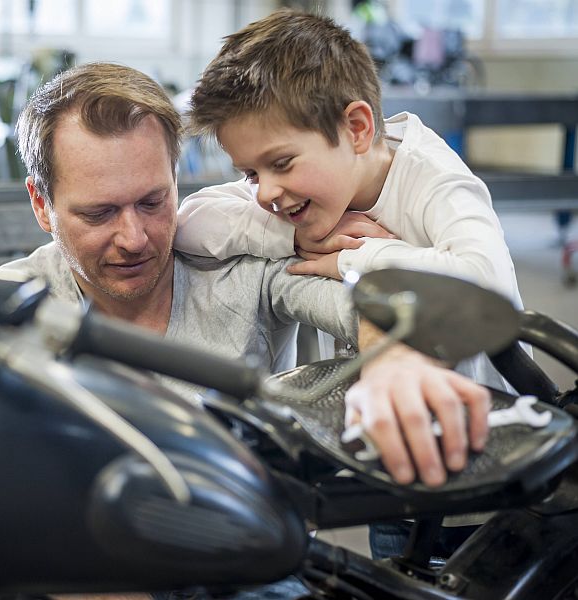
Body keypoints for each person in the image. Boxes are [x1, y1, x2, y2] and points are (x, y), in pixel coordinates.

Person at [2, 63, 490, 587]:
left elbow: (362, 307)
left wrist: (390, 364)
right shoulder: (4, 307)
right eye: (98, 214)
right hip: (82, 560)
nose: (136, 238)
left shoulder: (239, 262)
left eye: (153, 202)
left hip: (241, 556)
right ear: (41, 204)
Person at [178, 8, 522, 558]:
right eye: (249, 174)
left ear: (357, 128)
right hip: (387, 464)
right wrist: (292, 239)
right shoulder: (307, 190)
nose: (265, 192)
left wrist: (359, 256)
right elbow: (189, 222)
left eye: (280, 164)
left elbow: (490, 287)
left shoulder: (435, 181)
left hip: (482, 468)